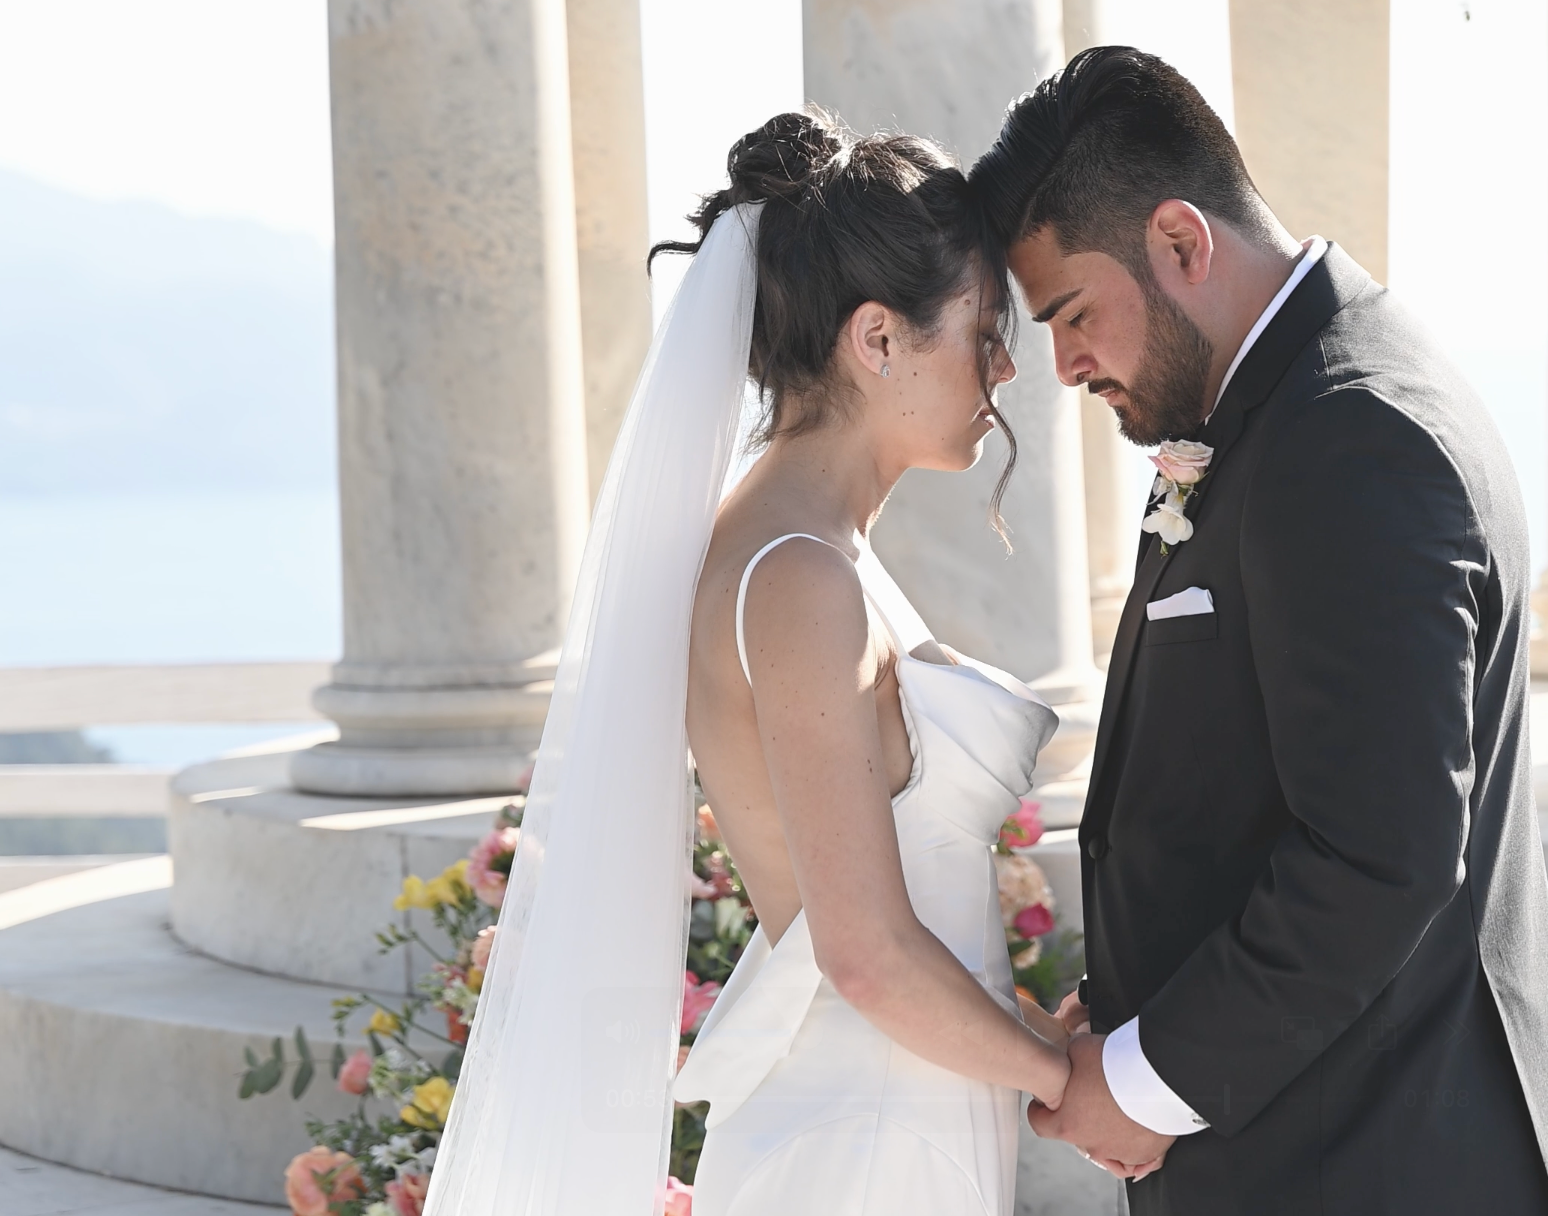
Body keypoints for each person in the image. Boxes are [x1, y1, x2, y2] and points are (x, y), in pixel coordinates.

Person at [968, 46, 1548, 1215]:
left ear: (1178, 240)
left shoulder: (1353, 434)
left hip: (1380, 1164)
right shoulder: (1280, 413)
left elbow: (1381, 852)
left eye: (1072, 313)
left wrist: (1151, 1080)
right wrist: (1127, 1016)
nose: (1062, 364)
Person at [425, 112, 1072, 1216]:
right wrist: (1074, 1082)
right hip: (873, 1135)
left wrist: (1032, 1037)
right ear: (877, 338)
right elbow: (864, 951)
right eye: (983, 328)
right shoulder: (797, 579)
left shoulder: (805, 548)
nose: (1007, 365)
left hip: (896, 1102)